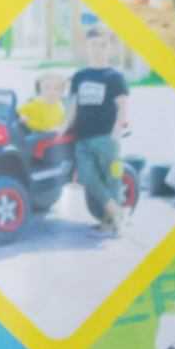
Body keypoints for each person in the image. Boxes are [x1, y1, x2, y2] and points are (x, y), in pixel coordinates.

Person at [64, 62, 132, 227]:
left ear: (108, 49)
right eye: (94, 47)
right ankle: (117, 211)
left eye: (102, 47)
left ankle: (112, 224)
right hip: (82, 137)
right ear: (88, 48)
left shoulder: (115, 76)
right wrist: (63, 128)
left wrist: (116, 132)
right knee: (85, 176)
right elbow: (72, 107)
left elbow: (122, 107)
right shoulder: (79, 76)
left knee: (112, 179)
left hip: (106, 136)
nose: (97, 50)